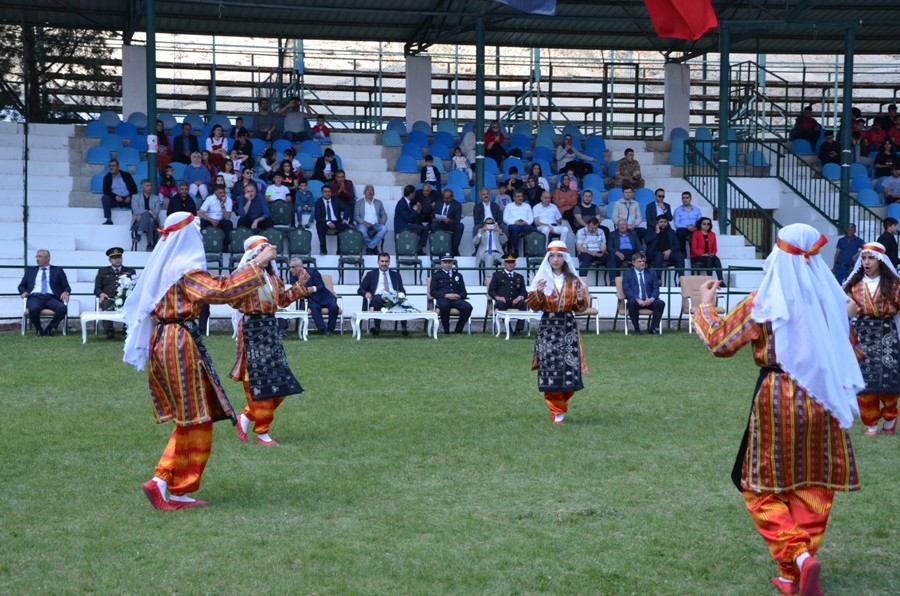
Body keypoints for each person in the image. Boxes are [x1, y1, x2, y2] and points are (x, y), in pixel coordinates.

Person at [692, 223, 864, 596]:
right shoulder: (830, 300)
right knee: (813, 483)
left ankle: (798, 557)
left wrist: (704, 307)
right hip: (825, 399)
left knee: (759, 486)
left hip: (780, 396)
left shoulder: (765, 300)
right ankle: (791, 576)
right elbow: (852, 350)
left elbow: (721, 342)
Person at [122, 211, 275, 511]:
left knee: (194, 417)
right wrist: (258, 264)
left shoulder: (168, 268)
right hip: (178, 343)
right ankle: (166, 481)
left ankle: (174, 485)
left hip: (167, 341)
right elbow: (221, 291)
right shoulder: (185, 270)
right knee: (195, 419)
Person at [229, 236, 310, 447]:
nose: (268, 253)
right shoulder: (243, 275)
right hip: (252, 330)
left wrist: (299, 286)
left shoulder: (272, 277)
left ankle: (246, 417)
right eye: (262, 250)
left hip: (270, 330)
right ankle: (262, 431)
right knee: (258, 382)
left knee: (282, 383)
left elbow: (281, 300)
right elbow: (233, 299)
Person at [525, 241, 589, 424]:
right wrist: (537, 292)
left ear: (565, 258)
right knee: (551, 370)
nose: (555, 259)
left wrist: (579, 300)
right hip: (548, 328)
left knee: (569, 369)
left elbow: (582, 307)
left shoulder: (574, 281)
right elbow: (533, 306)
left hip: (568, 326)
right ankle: (556, 411)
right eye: (552, 256)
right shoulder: (541, 279)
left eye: (559, 256)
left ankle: (561, 405)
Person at [843, 242, 900, 436]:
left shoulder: (894, 285)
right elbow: (845, 311)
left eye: (871, 258)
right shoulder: (854, 285)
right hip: (862, 335)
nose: (866, 262)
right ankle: (871, 422)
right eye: (864, 258)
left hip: (887, 335)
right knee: (864, 381)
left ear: (881, 260)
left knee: (889, 381)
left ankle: (891, 416)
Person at [18, 249, 70, 337]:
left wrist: (66, 292)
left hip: (51, 298)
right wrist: (23, 292)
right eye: (37, 257)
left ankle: (49, 329)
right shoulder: (31, 271)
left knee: (63, 308)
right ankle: (38, 329)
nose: (37, 259)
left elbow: (66, 286)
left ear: (48, 258)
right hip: (35, 297)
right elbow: (21, 286)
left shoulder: (58, 270)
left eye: (40, 257)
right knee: (33, 309)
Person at [357, 253, 408, 336]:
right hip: (377, 298)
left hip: (393, 297)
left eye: (386, 261)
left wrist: (401, 294)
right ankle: (377, 327)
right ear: (378, 262)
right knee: (378, 298)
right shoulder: (371, 274)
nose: (384, 263)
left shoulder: (396, 275)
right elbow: (360, 290)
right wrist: (366, 293)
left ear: (389, 262)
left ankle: (404, 327)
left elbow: (402, 290)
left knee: (402, 300)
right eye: (382, 261)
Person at [94, 246, 137, 339]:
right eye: (114, 258)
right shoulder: (102, 271)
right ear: (109, 260)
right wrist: (101, 294)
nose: (117, 260)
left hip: (126, 298)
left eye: (119, 257)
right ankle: (109, 332)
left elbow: (135, 287)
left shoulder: (130, 271)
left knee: (132, 305)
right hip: (109, 298)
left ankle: (127, 330)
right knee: (106, 304)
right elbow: (97, 289)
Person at [289, 257, 339, 336]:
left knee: (334, 307)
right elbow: (296, 291)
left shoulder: (312, 272)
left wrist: (313, 288)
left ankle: (331, 329)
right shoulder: (293, 278)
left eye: (293, 267)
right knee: (314, 308)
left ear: (300, 267)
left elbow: (321, 286)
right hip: (310, 299)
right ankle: (323, 330)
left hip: (323, 296)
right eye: (290, 267)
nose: (291, 270)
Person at [622, 252, 664, 335]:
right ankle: (636, 329)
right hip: (636, 300)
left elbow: (656, 288)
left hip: (649, 300)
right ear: (633, 263)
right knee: (631, 303)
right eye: (639, 261)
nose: (642, 263)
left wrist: (651, 299)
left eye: (643, 261)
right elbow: (626, 289)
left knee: (660, 303)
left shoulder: (651, 273)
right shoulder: (627, 274)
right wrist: (637, 299)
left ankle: (653, 328)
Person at [430, 253, 473, 334]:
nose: (447, 264)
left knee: (468, 307)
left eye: (449, 262)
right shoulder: (436, 275)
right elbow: (433, 291)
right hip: (443, 298)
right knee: (444, 305)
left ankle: (458, 330)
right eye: (445, 262)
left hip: (456, 299)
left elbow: (464, 292)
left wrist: (459, 295)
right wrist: (445, 295)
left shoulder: (458, 275)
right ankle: (446, 330)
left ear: (452, 263)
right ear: (441, 263)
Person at [489, 254, 528, 335]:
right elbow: (491, 290)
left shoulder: (519, 277)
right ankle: (509, 330)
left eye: (512, 262)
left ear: (515, 264)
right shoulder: (497, 275)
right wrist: (497, 297)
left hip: (515, 301)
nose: (510, 264)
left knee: (524, 303)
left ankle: (518, 330)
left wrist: (519, 298)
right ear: (504, 264)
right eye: (508, 262)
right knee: (500, 304)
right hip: (503, 301)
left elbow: (524, 292)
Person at [643, 215, 685, 283]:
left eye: (665, 222)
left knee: (679, 255)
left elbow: (677, 244)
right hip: (654, 254)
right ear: (657, 222)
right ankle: (658, 279)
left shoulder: (671, 232)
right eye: (661, 222)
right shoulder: (651, 230)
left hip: (668, 254)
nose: (663, 224)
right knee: (659, 255)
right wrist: (656, 233)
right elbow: (646, 241)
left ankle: (682, 278)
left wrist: (670, 250)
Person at [314, 185, 350, 255]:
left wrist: (345, 218)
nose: (327, 193)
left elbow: (346, 207)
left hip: (337, 221)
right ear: (322, 193)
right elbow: (317, 217)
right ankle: (323, 250)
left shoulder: (335, 200)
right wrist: (328, 222)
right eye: (325, 192)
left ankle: (340, 251)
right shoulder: (318, 203)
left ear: (331, 193)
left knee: (346, 227)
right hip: (325, 222)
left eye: (329, 192)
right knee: (319, 225)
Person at [394, 184, 429, 255]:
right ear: (410, 193)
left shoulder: (408, 202)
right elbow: (408, 218)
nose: (414, 195)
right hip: (401, 227)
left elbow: (412, 216)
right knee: (421, 229)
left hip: (407, 225)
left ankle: (418, 249)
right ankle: (416, 248)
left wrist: (418, 211)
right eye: (414, 193)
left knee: (425, 228)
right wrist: (414, 209)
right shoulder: (401, 203)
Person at [354, 184, 388, 255]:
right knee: (361, 230)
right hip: (363, 224)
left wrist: (383, 220)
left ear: (374, 192)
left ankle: (370, 247)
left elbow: (384, 214)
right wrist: (364, 222)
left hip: (376, 224)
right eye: (368, 190)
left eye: (371, 190)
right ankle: (373, 246)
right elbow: (356, 216)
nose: (370, 192)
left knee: (384, 228)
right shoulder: (359, 203)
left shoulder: (378, 202)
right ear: (364, 192)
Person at [101, 159, 137, 225]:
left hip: (127, 199)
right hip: (115, 200)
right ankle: (108, 219)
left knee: (136, 198)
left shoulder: (126, 175)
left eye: (113, 166)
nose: (111, 167)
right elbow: (106, 191)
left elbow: (134, 189)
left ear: (118, 167)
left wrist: (129, 197)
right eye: (110, 166)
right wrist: (115, 196)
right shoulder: (107, 177)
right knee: (105, 198)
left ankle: (135, 221)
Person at [691, 217, 726, 285]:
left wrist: (712, 253)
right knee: (708, 259)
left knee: (716, 259)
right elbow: (694, 248)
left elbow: (714, 248)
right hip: (698, 256)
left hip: (709, 255)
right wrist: (703, 254)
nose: (706, 225)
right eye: (704, 224)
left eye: (708, 224)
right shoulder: (696, 233)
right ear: (700, 224)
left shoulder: (712, 234)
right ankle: (709, 280)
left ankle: (720, 281)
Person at [198, 185, 234, 250]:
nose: (223, 194)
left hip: (221, 220)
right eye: (220, 193)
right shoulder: (210, 199)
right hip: (209, 220)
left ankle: (225, 247)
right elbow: (200, 213)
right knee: (201, 222)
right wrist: (211, 220)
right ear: (215, 193)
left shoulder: (228, 200)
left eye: (224, 192)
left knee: (228, 223)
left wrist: (222, 205)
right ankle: (201, 246)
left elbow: (227, 218)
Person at [132, 178, 164, 251]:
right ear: (142, 187)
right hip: (138, 220)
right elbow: (136, 211)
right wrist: (149, 212)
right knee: (150, 220)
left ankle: (139, 233)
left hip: (153, 219)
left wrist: (147, 213)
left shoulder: (156, 198)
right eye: (147, 186)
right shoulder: (135, 197)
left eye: (150, 185)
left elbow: (156, 212)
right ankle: (149, 244)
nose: (150, 187)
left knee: (150, 218)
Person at [430, 188, 464, 257]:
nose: (446, 200)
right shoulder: (438, 202)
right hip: (440, 224)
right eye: (444, 198)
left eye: (448, 198)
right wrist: (434, 219)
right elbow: (432, 216)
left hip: (451, 225)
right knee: (433, 225)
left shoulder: (457, 205)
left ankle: (455, 248)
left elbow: (457, 220)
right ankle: (438, 246)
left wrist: (450, 220)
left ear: (452, 197)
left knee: (460, 226)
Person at [503, 189, 536, 258]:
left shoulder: (527, 206)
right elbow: (505, 219)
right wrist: (514, 222)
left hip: (525, 225)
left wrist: (526, 222)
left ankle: (533, 251)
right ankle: (515, 250)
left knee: (534, 230)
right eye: (518, 196)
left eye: (521, 196)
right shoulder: (509, 206)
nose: (520, 198)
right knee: (515, 229)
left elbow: (531, 219)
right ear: (514, 198)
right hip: (513, 225)